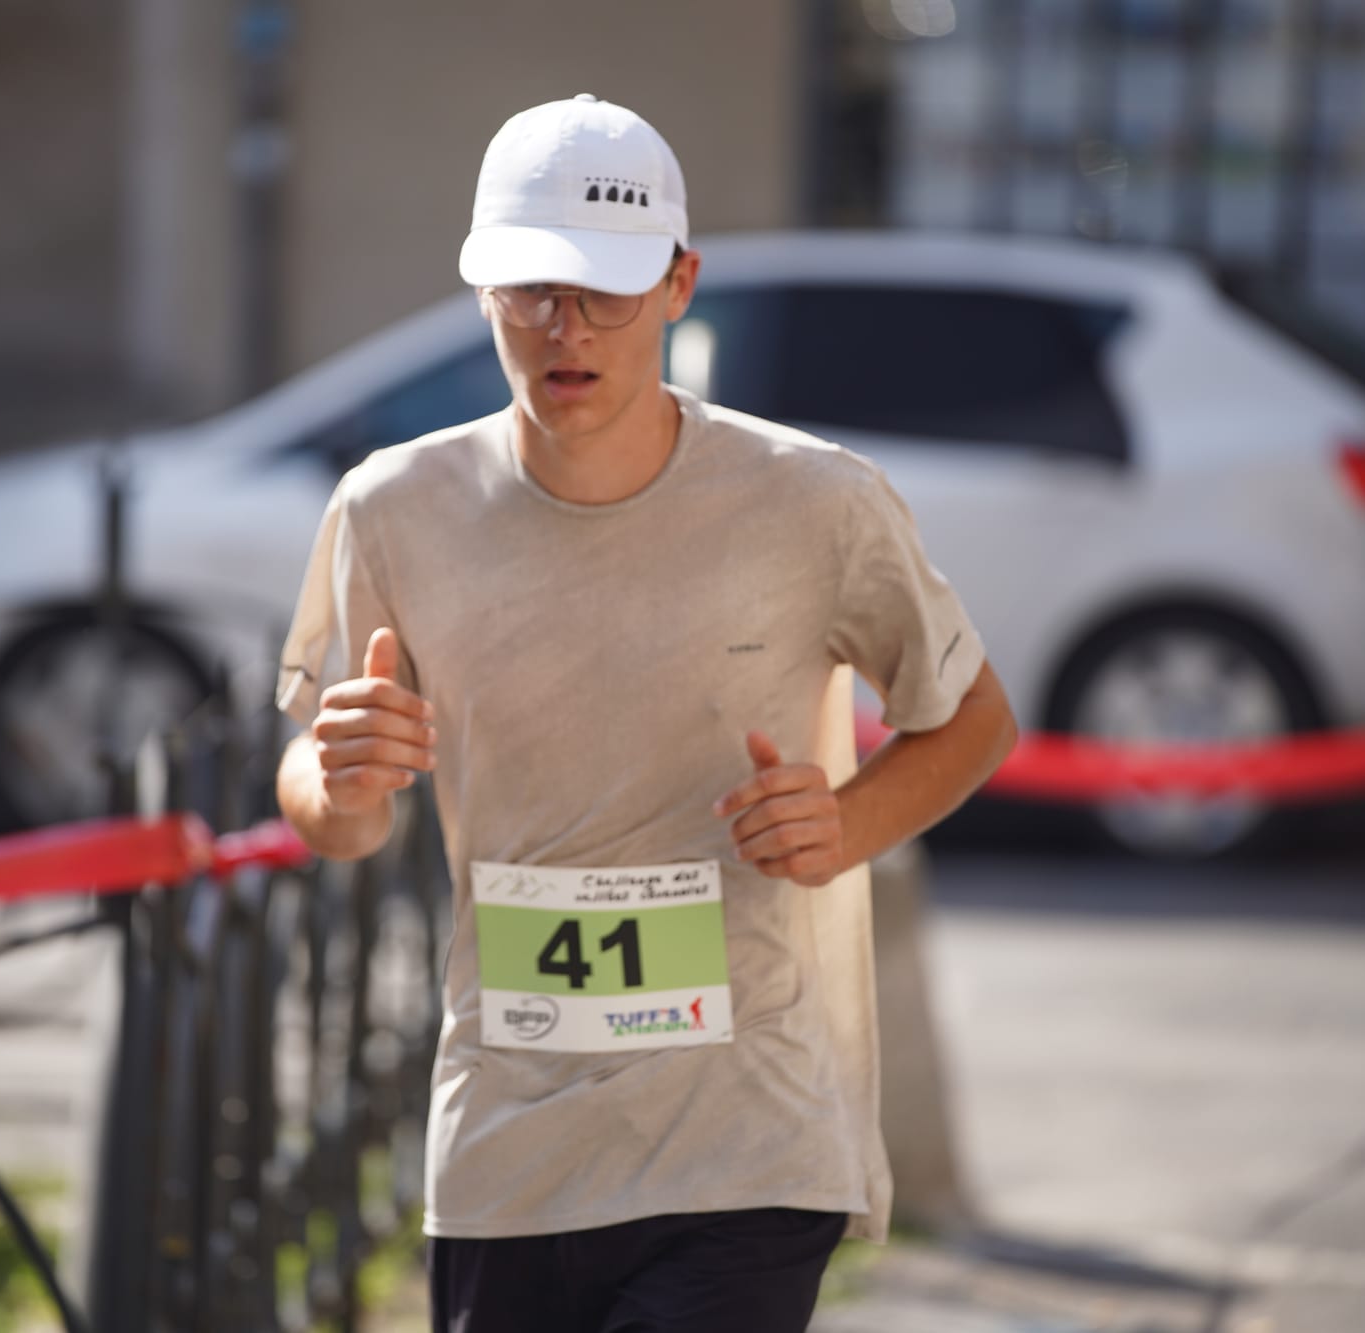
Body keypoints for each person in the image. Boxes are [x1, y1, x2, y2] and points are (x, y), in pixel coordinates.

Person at [275, 94, 1018, 1333]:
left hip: (744, 1140)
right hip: (508, 1147)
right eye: (529, 290)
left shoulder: (813, 502)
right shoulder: (390, 509)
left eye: (606, 291)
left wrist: (844, 823)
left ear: (679, 284)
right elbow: (329, 806)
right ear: (482, 292)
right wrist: (336, 784)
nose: (565, 329)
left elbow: (973, 718)